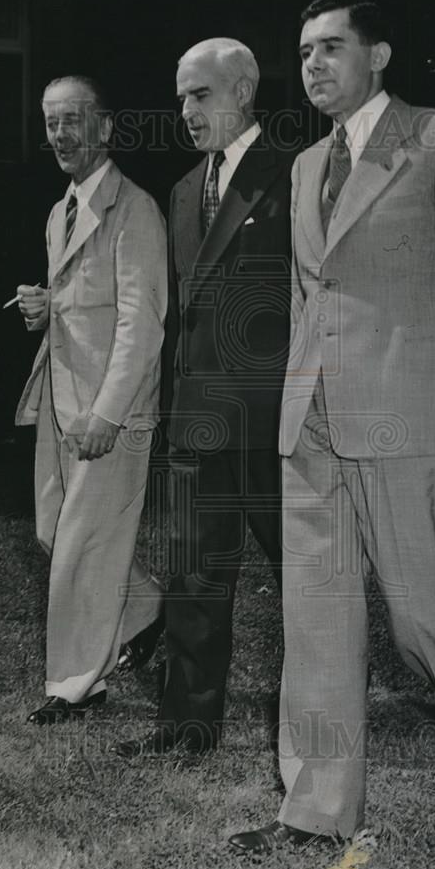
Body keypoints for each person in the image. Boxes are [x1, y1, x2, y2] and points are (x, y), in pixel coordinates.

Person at [229, 0, 435, 854]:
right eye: (304, 51)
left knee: (419, 610)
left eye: (331, 47)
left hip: (406, 413)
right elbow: (304, 291)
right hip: (311, 416)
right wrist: (288, 400)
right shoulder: (304, 162)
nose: (314, 65)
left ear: (378, 53)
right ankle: (315, 809)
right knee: (315, 617)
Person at [113, 38, 292, 757]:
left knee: (303, 584)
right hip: (197, 424)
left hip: (277, 425)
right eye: (181, 96)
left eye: (200, 94)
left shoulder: (296, 173)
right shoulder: (185, 188)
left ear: (243, 89)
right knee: (191, 579)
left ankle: (313, 730)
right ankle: (187, 726)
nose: (185, 110)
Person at [16, 75, 167, 725]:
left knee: (80, 543)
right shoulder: (62, 210)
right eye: (51, 122)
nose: (60, 134)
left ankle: (78, 683)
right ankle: (145, 611)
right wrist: (46, 308)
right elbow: (86, 301)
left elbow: (142, 323)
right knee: (54, 530)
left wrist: (109, 414)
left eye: (73, 119)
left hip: (111, 407)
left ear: (106, 128)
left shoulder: (135, 209)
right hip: (61, 396)